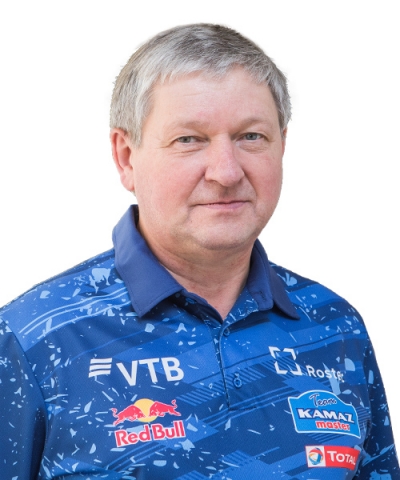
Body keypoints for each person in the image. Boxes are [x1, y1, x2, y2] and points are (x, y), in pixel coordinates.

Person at [0, 23, 398, 480]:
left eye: (251, 136)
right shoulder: (33, 339)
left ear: (282, 146)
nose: (226, 172)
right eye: (189, 139)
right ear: (126, 157)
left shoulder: (334, 327)